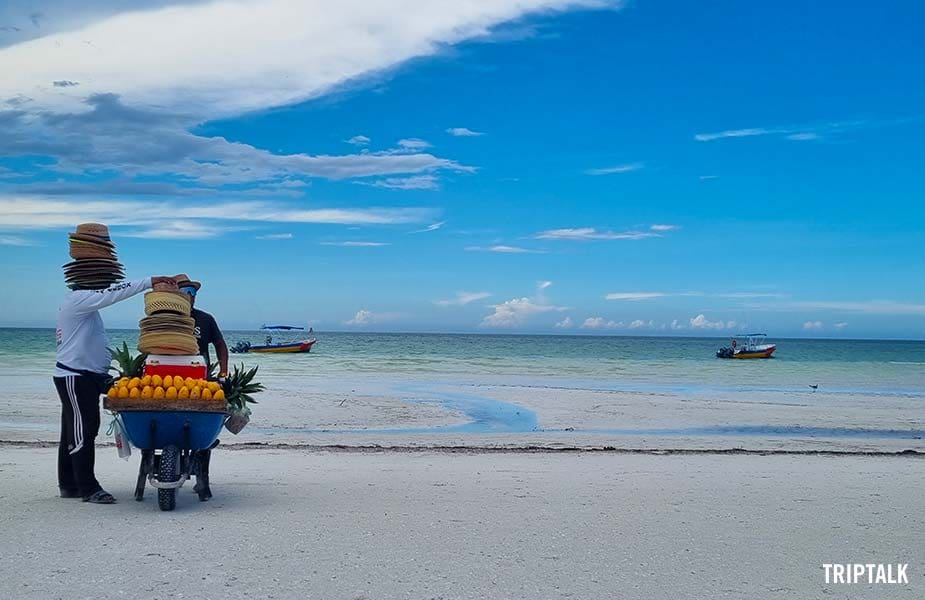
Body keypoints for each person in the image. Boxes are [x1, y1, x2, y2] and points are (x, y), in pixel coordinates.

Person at [55, 231, 174, 503]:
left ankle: (69, 484)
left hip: (87, 376)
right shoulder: (79, 300)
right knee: (83, 430)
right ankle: (88, 488)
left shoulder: (84, 306)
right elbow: (112, 295)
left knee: (73, 429)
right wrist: (149, 281)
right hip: (75, 376)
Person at [174, 274, 228, 500]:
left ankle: (202, 480)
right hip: (168, 383)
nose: (190, 297)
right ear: (175, 296)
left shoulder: (205, 319)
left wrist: (224, 374)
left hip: (202, 380)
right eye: (185, 292)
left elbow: (220, 345)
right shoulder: (165, 319)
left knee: (204, 427)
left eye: (193, 293)